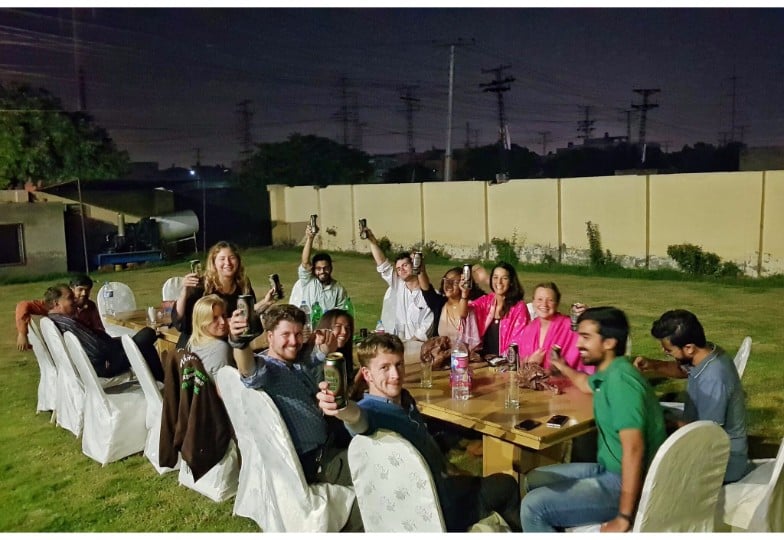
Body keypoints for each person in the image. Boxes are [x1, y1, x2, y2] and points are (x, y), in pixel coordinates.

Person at [316, 333, 522, 532]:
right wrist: (341, 407)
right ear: (367, 374)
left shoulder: (405, 399)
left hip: (441, 487)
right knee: (507, 485)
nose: (395, 375)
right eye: (385, 368)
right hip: (436, 510)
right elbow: (357, 419)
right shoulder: (372, 411)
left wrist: (448, 466)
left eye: (398, 364)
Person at [519, 307, 667, 532]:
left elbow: (634, 449)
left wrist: (624, 517)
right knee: (534, 479)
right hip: (607, 467)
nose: (578, 344)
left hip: (624, 481)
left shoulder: (621, 382)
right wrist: (562, 366)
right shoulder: (612, 369)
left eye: (586, 337)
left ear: (609, 343)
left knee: (533, 507)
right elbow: (585, 383)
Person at [229, 303, 362, 531]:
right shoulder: (267, 371)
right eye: (286, 335)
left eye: (298, 334)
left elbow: (310, 362)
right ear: (269, 336)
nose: (294, 341)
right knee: (371, 471)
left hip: (327, 446)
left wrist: (323, 351)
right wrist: (239, 341)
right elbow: (248, 372)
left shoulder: (293, 363)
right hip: (315, 461)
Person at [633, 309, 752, 483]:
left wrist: (662, 422)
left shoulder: (713, 379)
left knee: (642, 459)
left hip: (720, 462)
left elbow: (706, 435)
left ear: (689, 348)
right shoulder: (706, 352)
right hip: (703, 439)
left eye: (668, 350)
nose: (664, 351)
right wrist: (653, 365)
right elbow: (683, 370)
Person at [44, 284, 164, 382]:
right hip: (105, 365)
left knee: (144, 345)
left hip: (97, 362)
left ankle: (161, 384)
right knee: (148, 334)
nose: (75, 300)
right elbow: (96, 349)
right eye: (70, 298)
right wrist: (117, 347)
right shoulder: (68, 324)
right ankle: (163, 384)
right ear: (56, 303)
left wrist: (117, 341)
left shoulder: (54, 320)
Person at [172, 241, 275, 349]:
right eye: (222, 259)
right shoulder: (201, 285)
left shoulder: (243, 284)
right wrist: (184, 291)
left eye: (232, 257)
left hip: (231, 343)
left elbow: (246, 314)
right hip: (199, 344)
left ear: (238, 261)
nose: (228, 263)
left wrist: (265, 302)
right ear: (214, 263)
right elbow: (179, 321)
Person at [363, 227, 433, 341]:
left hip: (418, 347)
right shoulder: (398, 285)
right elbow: (382, 265)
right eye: (398, 268)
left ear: (414, 264)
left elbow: (426, 328)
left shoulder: (430, 295)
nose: (401, 270)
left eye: (405, 265)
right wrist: (372, 241)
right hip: (397, 343)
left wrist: (409, 345)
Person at [518, 282, 594, 373]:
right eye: (539, 299)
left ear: (557, 303)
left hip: (567, 384)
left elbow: (594, 337)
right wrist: (530, 362)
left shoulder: (570, 326)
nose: (544, 304)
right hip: (531, 384)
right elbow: (520, 364)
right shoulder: (529, 329)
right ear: (533, 302)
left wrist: (589, 316)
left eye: (550, 300)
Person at [15, 274, 103, 351]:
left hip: (87, 347)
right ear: (71, 289)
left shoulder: (90, 306)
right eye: (80, 289)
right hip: (65, 351)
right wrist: (22, 333)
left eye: (87, 290)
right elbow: (23, 305)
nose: (84, 293)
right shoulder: (56, 305)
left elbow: (98, 328)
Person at [470, 262, 530, 358]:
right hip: (482, 362)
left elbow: (518, 341)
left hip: (506, 364)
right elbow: (466, 314)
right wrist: (464, 292)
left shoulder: (519, 307)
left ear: (511, 282)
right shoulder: (486, 301)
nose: (499, 282)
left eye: (504, 278)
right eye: (495, 277)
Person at [418, 263, 483, 349]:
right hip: (442, 357)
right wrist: (421, 270)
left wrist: (485, 279)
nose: (448, 285)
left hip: (464, 358)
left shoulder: (471, 306)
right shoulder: (440, 303)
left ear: (464, 284)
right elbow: (426, 289)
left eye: (454, 282)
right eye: (446, 280)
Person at [297, 223, 349, 311]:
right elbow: (305, 262)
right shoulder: (308, 281)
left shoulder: (339, 289)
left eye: (326, 268)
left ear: (331, 268)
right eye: (318, 268)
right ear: (313, 269)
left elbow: (342, 312)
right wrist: (310, 238)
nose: (322, 271)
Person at [186, 294, 236, 380]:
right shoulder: (220, 348)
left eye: (223, 316)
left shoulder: (194, 343)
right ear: (202, 322)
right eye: (215, 318)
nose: (223, 322)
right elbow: (225, 389)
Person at [301, 308, 356, 381]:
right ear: (326, 327)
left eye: (347, 328)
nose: (344, 332)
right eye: (338, 326)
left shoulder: (342, 354)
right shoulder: (314, 356)